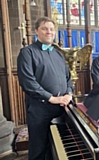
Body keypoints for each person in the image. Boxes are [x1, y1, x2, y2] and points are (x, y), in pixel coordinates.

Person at [17, 17, 74, 160]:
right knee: (39, 148)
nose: (49, 32)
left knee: (58, 147)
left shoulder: (58, 54)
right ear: (36, 31)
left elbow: (68, 77)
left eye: (51, 29)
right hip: (40, 109)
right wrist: (52, 98)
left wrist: (69, 93)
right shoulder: (27, 53)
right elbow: (28, 82)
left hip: (61, 107)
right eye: (44, 28)